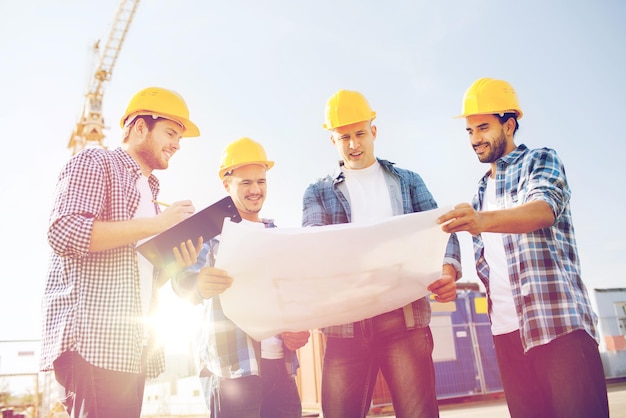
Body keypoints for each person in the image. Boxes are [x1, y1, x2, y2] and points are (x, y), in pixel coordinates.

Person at [437, 77, 609, 418]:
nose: (475, 139)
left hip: (558, 327)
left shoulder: (540, 161)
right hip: (507, 337)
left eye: (483, 128)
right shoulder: (478, 194)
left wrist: (482, 221)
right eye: (469, 131)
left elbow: (543, 210)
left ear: (510, 124)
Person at [40, 86, 201, 418]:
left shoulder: (151, 194)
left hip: (130, 347)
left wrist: (173, 264)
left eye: (180, 138)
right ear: (140, 127)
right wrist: (158, 225)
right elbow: (64, 231)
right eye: (170, 132)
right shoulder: (95, 161)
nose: (176, 144)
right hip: (93, 341)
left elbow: (136, 276)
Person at [301, 89, 462, 418]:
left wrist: (447, 269)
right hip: (345, 326)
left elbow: (441, 230)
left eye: (360, 134)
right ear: (333, 141)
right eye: (343, 136)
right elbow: (313, 250)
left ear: (373, 131)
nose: (353, 144)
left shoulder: (409, 182)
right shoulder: (317, 192)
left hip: (403, 320)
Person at [172, 137, 311, 418]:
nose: (255, 190)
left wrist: (298, 329)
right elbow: (181, 282)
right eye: (245, 183)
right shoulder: (209, 233)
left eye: (261, 181)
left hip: (281, 369)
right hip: (232, 370)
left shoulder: (278, 236)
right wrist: (197, 284)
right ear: (227, 185)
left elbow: (291, 296)